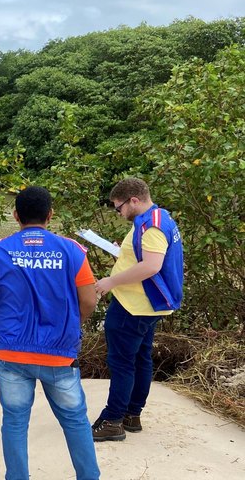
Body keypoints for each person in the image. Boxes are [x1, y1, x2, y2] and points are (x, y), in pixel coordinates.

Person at [0, 186, 99, 480]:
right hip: (59, 353)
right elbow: (89, 300)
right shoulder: (72, 251)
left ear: (15, 216)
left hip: (11, 352)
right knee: (75, 420)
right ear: (50, 215)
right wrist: (72, 325)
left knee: (15, 421)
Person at [91, 178, 183, 442]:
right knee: (141, 358)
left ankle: (112, 420)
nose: (118, 213)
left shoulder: (151, 225)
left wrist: (111, 281)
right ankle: (132, 415)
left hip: (134, 305)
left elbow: (152, 266)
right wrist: (125, 254)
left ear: (133, 200)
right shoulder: (160, 216)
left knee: (121, 363)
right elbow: (147, 257)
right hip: (146, 305)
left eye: (118, 207)